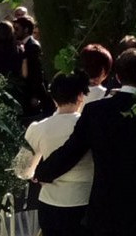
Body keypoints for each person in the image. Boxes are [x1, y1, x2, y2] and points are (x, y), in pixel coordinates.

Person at [35, 50, 136, 236]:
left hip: (103, 209)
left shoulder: (95, 111)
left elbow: (71, 151)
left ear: (117, 76)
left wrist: (43, 172)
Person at [18, 73, 93, 236]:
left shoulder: (38, 128)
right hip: (84, 201)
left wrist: (36, 175)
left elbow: (22, 169)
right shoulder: (91, 126)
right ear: (81, 96)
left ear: (54, 98)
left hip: (50, 203)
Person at [15, 15, 54, 117]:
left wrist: (35, 95)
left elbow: (37, 72)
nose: (15, 32)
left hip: (34, 91)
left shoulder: (33, 46)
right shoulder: (23, 45)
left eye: (17, 29)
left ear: (26, 30)